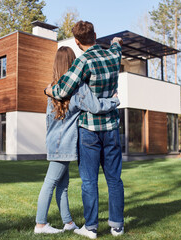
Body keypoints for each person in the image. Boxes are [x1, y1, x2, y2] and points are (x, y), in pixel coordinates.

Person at [44, 21, 125, 239]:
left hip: (89, 130)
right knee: (114, 178)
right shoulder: (114, 55)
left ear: (78, 43)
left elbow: (61, 91)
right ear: (96, 36)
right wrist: (117, 41)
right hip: (111, 128)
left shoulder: (83, 62)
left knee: (89, 181)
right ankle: (117, 226)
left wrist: (47, 89)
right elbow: (117, 46)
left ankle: (90, 228)